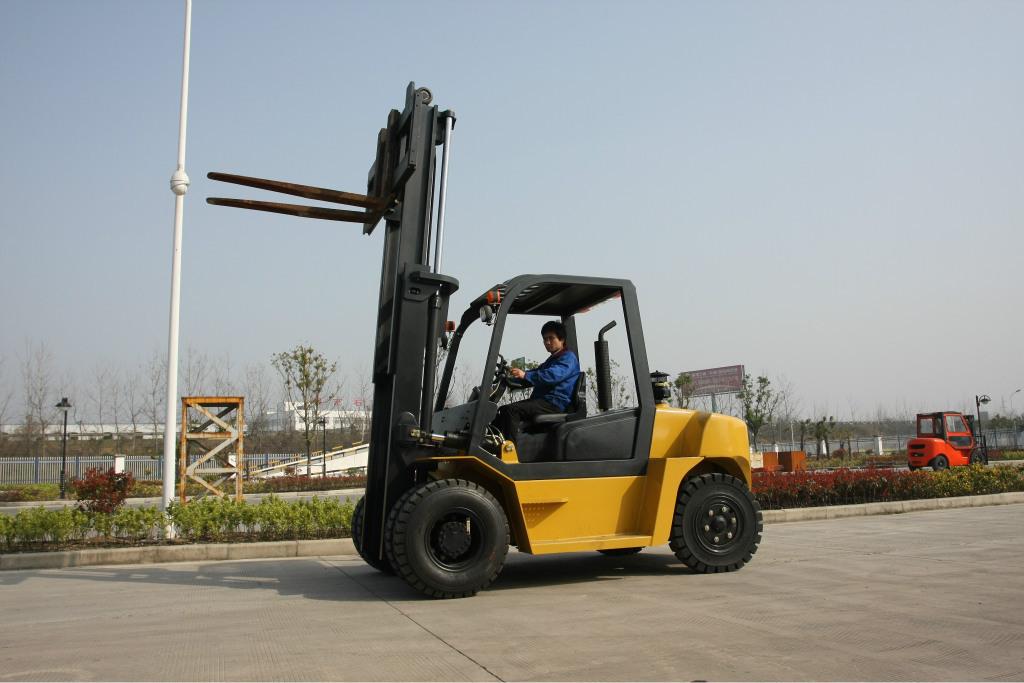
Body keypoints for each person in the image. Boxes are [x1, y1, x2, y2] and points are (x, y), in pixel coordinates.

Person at [494, 320, 580, 446]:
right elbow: (536, 373)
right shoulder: (551, 360)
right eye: (545, 339)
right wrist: (511, 379)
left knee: (511, 411)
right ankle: (493, 446)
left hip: (554, 403)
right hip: (543, 402)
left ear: (561, 339)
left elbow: (552, 376)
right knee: (502, 411)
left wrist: (525, 375)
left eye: (551, 338)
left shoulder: (568, 358)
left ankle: (509, 451)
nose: (547, 342)